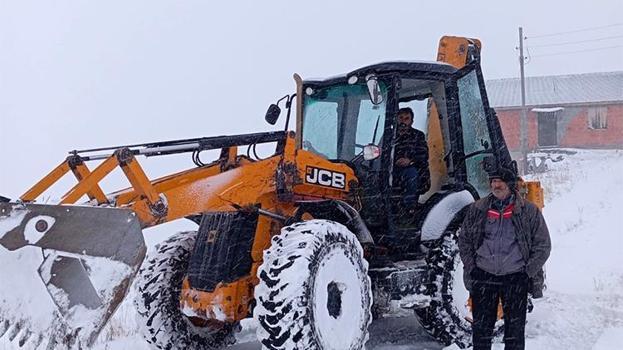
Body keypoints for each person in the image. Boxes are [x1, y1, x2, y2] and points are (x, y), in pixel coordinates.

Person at [458, 167, 551, 350]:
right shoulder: (478, 209)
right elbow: (465, 241)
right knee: (481, 333)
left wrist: (527, 272)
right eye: (493, 181)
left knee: (514, 333)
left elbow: (543, 246)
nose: (495, 185)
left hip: (515, 279)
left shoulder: (528, 211)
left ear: (510, 184)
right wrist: (472, 268)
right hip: (484, 278)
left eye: (499, 181)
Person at [394, 107, 430, 208]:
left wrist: (410, 161)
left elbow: (423, 155)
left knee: (411, 174)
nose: (403, 121)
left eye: (406, 119)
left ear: (411, 121)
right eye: (401, 118)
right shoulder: (389, 136)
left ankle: (409, 208)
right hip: (392, 169)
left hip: (412, 168)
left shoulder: (418, 136)